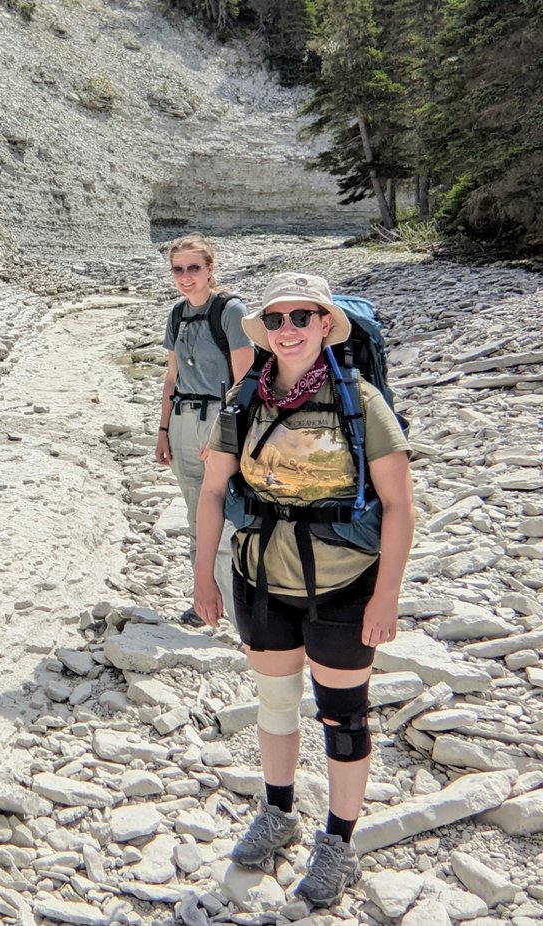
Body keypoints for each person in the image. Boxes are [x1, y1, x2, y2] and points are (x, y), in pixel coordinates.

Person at [193, 272, 413, 908]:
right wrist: (203, 576)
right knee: (276, 703)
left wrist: (386, 597)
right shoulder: (244, 399)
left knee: (343, 717)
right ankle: (278, 811)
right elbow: (212, 491)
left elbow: (399, 505)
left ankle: (339, 841)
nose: (288, 330)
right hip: (260, 577)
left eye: (301, 317)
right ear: (265, 331)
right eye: (277, 320)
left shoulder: (360, 401)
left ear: (324, 325)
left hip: (344, 582)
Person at [154, 235, 252, 625]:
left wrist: (225, 437)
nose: (186, 276)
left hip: (218, 419)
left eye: (194, 268)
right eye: (178, 269)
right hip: (182, 420)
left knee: (224, 516)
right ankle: (205, 600)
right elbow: (171, 378)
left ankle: (234, 608)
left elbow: (245, 381)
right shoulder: (176, 315)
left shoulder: (230, 311)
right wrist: (162, 431)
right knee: (196, 516)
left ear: (211, 269)